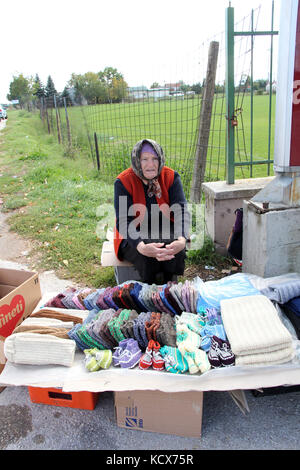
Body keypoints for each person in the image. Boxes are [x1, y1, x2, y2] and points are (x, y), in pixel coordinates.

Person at [113, 138, 190, 284]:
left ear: (160, 159)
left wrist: (181, 240)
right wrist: (141, 247)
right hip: (133, 231)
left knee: (173, 247)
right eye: (145, 159)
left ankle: (169, 286)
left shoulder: (171, 177)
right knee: (147, 254)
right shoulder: (123, 182)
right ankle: (148, 290)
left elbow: (181, 212)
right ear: (137, 161)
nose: (151, 164)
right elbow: (124, 221)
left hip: (163, 225)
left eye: (155, 158)